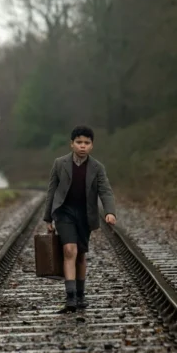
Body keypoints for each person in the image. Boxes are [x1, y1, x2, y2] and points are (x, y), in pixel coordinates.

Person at [43, 125, 116, 312]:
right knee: (69, 250)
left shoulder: (97, 167)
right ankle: (70, 297)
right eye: (79, 142)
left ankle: (81, 295)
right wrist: (48, 218)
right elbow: (51, 190)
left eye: (87, 143)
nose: (82, 146)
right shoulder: (60, 164)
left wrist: (110, 212)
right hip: (64, 212)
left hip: (85, 214)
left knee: (81, 255)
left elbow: (105, 191)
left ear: (92, 146)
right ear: (72, 144)